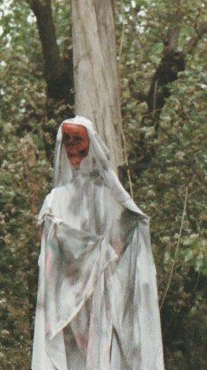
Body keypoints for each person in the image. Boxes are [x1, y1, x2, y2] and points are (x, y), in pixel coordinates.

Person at [32, 117, 164, 370]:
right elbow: (52, 257)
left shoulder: (107, 196)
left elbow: (123, 235)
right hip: (66, 303)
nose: (71, 147)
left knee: (103, 353)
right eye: (66, 140)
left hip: (102, 296)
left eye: (77, 140)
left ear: (90, 144)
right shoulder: (55, 200)